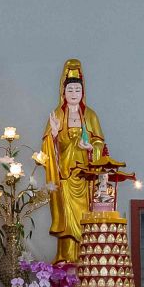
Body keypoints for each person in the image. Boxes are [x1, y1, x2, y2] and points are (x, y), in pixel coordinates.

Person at [41, 58, 106, 263]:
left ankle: (86, 257)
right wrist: (53, 134)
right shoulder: (57, 115)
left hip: (85, 176)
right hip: (66, 175)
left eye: (77, 90)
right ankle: (66, 256)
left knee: (85, 216)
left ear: (83, 92)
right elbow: (48, 148)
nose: (74, 94)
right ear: (63, 92)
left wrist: (91, 148)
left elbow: (100, 144)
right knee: (67, 218)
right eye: (70, 90)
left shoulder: (90, 115)